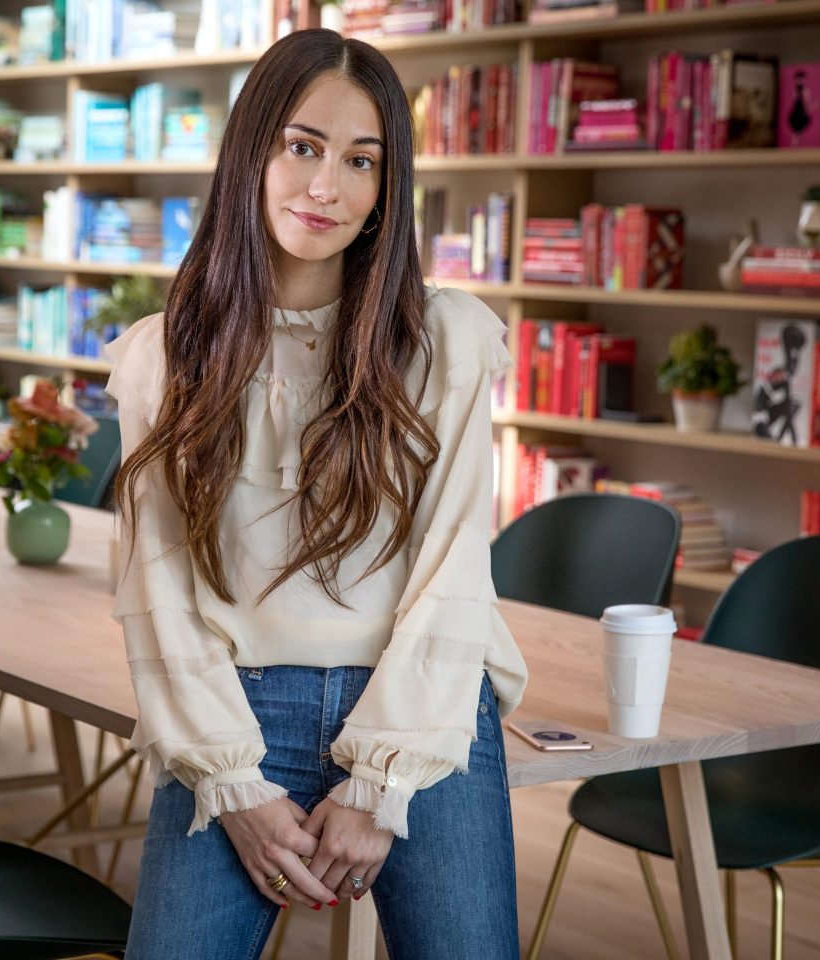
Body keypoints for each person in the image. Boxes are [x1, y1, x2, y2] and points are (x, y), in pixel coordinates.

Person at [103, 28, 528, 960]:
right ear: (252, 153)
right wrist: (236, 788)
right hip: (234, 718)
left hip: (419, 712)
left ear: (387, 188)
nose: (326, 187)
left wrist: (380, 787)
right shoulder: (164, 357)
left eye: (360, 161)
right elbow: (158, 593)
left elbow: (457, 572)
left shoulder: (445, 344)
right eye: (302, 147)